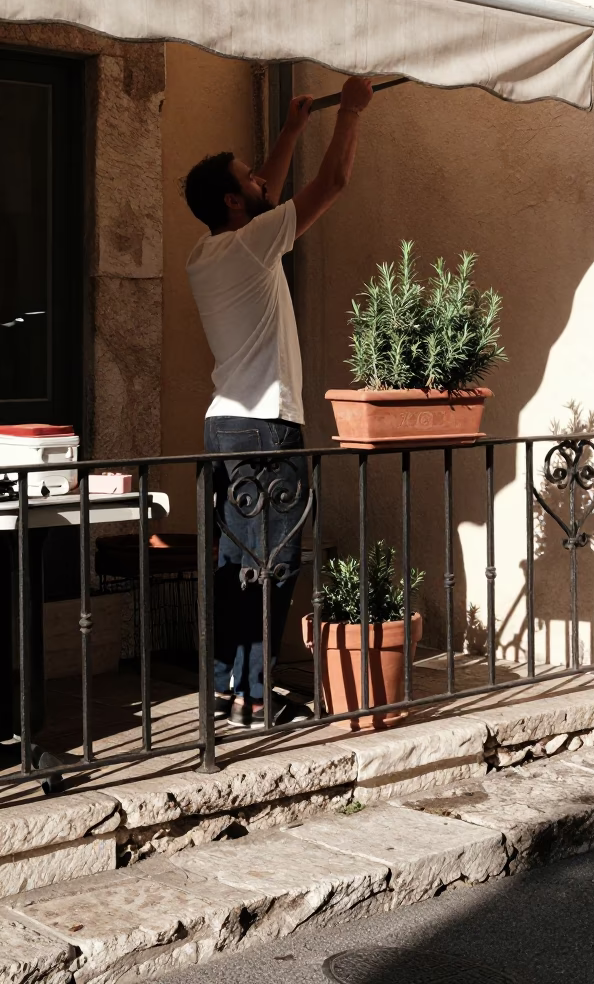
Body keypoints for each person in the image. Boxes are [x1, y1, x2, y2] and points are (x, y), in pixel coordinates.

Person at [183, 76, 374, 728]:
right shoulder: (252, 243)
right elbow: (332, 187)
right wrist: (349, 113)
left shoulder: (208, 250)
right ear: (237, 204)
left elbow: (262, 184)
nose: (266, 183)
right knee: (276, 561)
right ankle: (257, 696)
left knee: (238, 563)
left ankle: (226, 689)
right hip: (264, 425)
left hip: (225, 427)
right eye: (252, 182)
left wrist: (291, 129)